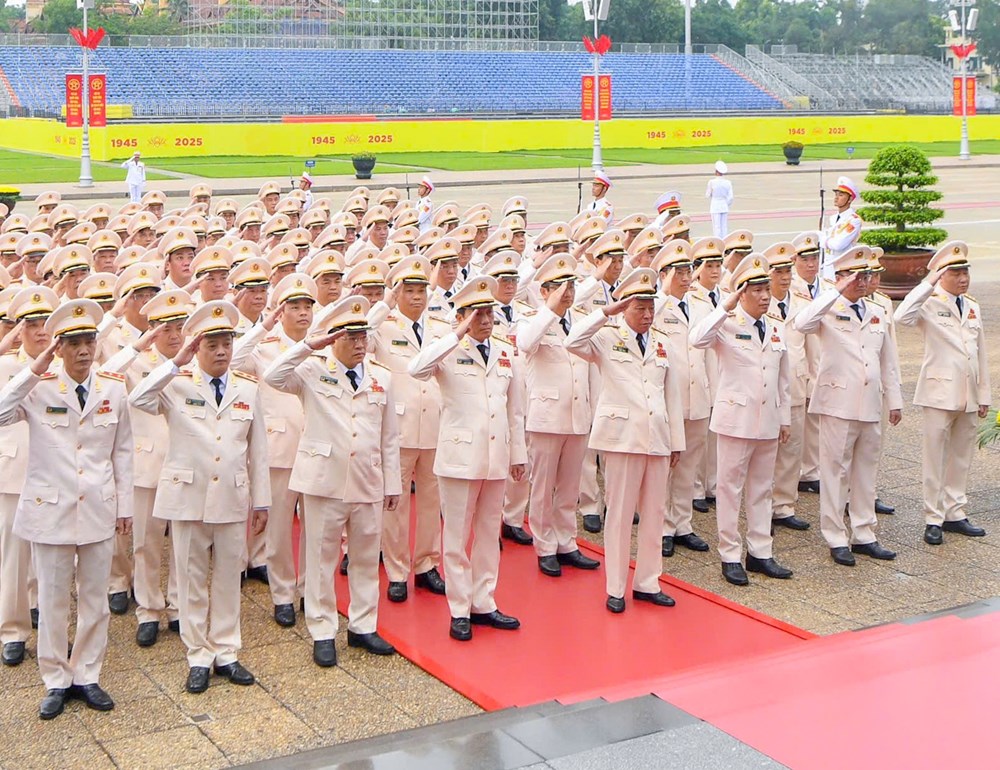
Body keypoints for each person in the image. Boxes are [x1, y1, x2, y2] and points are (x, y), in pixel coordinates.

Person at [0, 298, 133, 720]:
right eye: (73, 343)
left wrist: (125, 506)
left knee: (94, 600)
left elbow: (122, 451)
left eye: (88, 341)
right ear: (58, 348)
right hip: (51, 510)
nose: (83, 350)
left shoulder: (113, 387)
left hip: (97, 508)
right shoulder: (37, 386)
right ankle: (56, 679)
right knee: (53, 600)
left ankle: (88, 674)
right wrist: (33, 370)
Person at [129, 300, 270, 694]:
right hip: (188, 496)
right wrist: (175, 363)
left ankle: (226, 650)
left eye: (226, 343)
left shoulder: (247, 387)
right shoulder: (175, 383)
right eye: (212, 344)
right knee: (191, 581)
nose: (222, 351)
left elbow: (258, 451)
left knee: (228, 577)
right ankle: (197, 655)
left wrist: (262, 501)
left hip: (231, 496)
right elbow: (137, 399)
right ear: (197, 347)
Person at [264, 296, 401, 666]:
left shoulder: (381, 377)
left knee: (365, 557)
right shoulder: (311, 370)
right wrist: (310, 345)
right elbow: (273, 375)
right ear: (333, 339)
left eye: (362, 336)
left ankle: (363, 625)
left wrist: (392, 483)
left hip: (367, 479)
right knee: (321, 559)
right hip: (325, 481)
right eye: (350, 337)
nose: (359, 344)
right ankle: (323, 630)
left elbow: (389, 436)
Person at [408, 277, 527, 642]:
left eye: (489, 313)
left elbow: (514, 409)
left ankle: (484, 601)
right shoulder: (447, 349)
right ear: (461, 317)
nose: (486, 320)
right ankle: (459, 608)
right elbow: (417, 369)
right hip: (460, 457)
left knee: (489, 535)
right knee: (457, 537)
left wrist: (518, 454)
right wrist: (456, 334)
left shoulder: (505, 351)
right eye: (477, 314)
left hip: (495, 456)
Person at [565, 267, 685, 614]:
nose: (647, 315)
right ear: (624, 307)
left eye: (650, 307)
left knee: (655, 512)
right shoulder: (606, 337)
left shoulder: (661, 341)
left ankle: (648, 582)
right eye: (639, 308)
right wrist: (606, 312)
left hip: (657, 436)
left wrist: (676, 441)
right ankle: (616, 586)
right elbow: (572, 340)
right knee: (618, 514)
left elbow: (671, 393)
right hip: (621, 438)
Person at [793, 247, 902, 567]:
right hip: (837, 403)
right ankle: (836, 536)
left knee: (866, 471)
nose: (862, 282)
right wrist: (836, 291)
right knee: (835, 472)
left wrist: (894, 400)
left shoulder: (876, 310)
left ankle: (864, 533)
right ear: (839, 278)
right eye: (855, 277)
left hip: (870, 402)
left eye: (865, 276)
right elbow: (802, 323)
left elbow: (888, 360)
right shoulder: (827, 307)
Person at [690, 254, 794, 585]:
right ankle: (730, 554)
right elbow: (697, 339)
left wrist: (785, 418)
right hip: (735, 420)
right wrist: (725, 306)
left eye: (767, 289)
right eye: (757, 290)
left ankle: (760, 552)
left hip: (768, 420)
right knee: (729, 490)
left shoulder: (775, 326)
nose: (765, 296)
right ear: (742, 293)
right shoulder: (727, 324)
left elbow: (783, 378)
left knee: (762, 489)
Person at [101, 290, 193, 648]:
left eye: (179, 327)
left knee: (185, 546)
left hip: (185, 465)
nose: (173, 335)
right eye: (165, 328)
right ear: (152, 330)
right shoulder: (136, 361)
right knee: (146, 544)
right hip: (147, 463)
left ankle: (179, 607)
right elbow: (106, 373)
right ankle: (149, 610)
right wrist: (137, 347)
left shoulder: (195, 363)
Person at [894, 241, 990, 545]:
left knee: (961, 456)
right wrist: (928, 282)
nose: (963, 279)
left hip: (969, 392)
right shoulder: (929, 302)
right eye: (955, 273)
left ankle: (955, 512)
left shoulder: (972, 305)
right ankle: (933, 518)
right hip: (938, 392)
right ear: (941, 275)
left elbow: (980, 353)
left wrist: (984, 394)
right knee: (935, 458)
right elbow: (901, 316)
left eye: (965, 272)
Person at [367, 257, 450, 602]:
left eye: (421, 291)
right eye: (409, 291)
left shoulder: (440, 326)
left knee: (432, 501)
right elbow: (360, 334)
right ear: (397, 293)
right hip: (398, 429)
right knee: (395, 504)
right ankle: (397, 569)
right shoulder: (383, 326)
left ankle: (427, 564)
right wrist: (384, 304)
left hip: (435, 425)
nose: (416, 297)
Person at [517, 256, 600, 577]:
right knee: (542, 487)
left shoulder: (580, 320)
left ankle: (566, 541)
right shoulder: (531, 319)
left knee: (569, 486)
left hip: (577, 415)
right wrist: (550, 309)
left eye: (571, 287)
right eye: (560, 288)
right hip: (546, 417)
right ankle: (545, 545)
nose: (568, 294)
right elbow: (526, 343)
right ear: (544, 291)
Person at [651, 241, 711, 558]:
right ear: (664, 275)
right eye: (679, 272)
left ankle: (682, 523)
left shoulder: (701, 304)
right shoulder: (655, 306)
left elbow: (709, 354)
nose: (687, 278)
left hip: (698, 395)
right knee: (665, 467)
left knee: (688, 467)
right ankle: (662, 526)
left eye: (689, 271)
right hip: (667, 400)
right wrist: (662, 293)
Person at [820, 176, 862, 280]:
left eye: (841, 195)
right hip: (827, 269)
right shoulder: (832, 218)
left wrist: (824, 240)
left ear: (850, 199)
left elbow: (838, 244)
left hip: (842, 270)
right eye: (836, 194)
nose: (836, 197)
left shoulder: (853, 220)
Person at [705, 161, 734, 238]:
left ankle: (718, 240)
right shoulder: (728, 182)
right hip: (724, 205)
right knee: (724, 226)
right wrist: (726, 204)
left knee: (716, 226)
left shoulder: (712, 182)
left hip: (715, 205)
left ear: (716, 171)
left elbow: (707, 195)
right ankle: (724, 240)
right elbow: (731, 197)